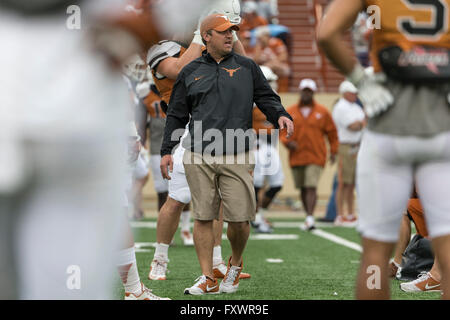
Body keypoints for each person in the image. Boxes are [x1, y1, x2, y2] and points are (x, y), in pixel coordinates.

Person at [0, 0, 202, 299]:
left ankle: (134, 289)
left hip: (78, 103)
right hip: (80, 103)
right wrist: (156, 21)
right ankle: (134, 290)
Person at [318, 0, 450, 299]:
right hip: (439, 126)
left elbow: (327, 33)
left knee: (375, 255)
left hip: (389, 128)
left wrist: (361, 83)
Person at [160, 13, 293, 295]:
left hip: (237, 151)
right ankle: (207, 276)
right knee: (203, 217)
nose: (230, 36)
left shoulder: (247, 67)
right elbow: (176, 114)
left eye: (232, 31)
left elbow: (266, 97)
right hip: (198, 153)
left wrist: (280, 115)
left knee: (240, 220)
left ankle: (234, 261)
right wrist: (166, 150)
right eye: (223, 32)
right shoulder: (190, 70)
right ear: (206, 37)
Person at [146, 0, 251, 281]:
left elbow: (245, 63)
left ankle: (217, 262)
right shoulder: (161, 48)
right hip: (184, 133)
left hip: (212, 129)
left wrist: (230, 27)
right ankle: (160, 258)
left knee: (214, 201)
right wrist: (200, 33)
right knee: (177, 199)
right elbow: (180, 70)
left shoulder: (208, 44)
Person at [280, 79, 338, 231]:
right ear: (300, 91)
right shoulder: (291, 111)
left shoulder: (322, 112)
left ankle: (310, 218)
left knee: (311, 185)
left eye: (309, 91)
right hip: (297, 155)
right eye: (304, 90)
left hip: (316, 155)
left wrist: (334, 151)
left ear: (313, 92)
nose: (306, 94)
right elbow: (282, 131)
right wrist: (287, 142)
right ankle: (308, 216)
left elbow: (332, 133)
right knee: (303, 188)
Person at [252, 66, 285, 234]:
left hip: (270, 146)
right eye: (270, 80)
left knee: (277, 184)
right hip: (256, 145)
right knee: (256, 185)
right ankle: (256, 218)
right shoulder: (250, 100)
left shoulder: (273, 100)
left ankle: (259, 215)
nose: (273, 84)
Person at [332, 81, 366, 226]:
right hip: (346, 145)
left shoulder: (355, 107)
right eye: (353, 92)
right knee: (343, 182)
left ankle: (351, 214)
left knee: (351, 183)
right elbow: (353, 126)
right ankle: (340, 215)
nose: (355, 95)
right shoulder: (341, 107)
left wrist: (362, 123)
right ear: (345, 92)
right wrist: (363, 122)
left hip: (357, 146)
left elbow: (361, 124)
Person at [253, 26, 290, 92]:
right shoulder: (259, 46)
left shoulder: (276, 42)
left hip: (280, 65)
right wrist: (258, 48)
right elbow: (255, 60)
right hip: (265, 68)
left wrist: (271, 63)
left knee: (267, 68)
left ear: (266, 36)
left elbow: (284, 56)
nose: (259, 39)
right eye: (258, 38)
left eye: (260, 37)